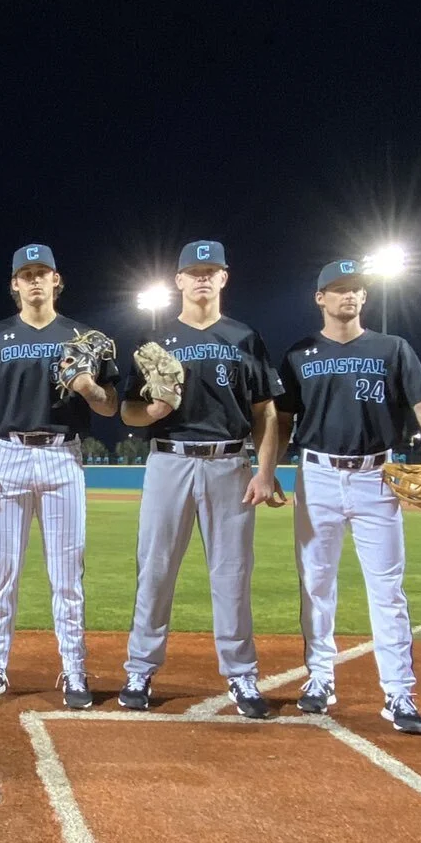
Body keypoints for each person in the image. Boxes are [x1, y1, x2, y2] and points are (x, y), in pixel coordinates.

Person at [275, 259, 421, 733]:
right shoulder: (299, 354)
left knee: (388, 590)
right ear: (320, 298)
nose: (349, 296)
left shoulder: (393, 348)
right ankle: (319, 678)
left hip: (376, 477)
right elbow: (281, 420)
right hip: (317, 474)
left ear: (365, 297)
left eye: (356, 289)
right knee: (316, 585)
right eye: (338, 289)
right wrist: (267, 470)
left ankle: (399, 693)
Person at [118, 239, 284, 714]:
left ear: (224, 277)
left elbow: (266, 413)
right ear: (179, 281)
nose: (203, 277)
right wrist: (153, 409)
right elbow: (127, 413)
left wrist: (266, 471)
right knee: (155, 569)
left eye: (211, 270)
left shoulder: (244, 337)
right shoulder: (155, 342)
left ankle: (242, 676)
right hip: (169, 458)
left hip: (230, 464)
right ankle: (139, 670)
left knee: (232, 574)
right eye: (194, 271)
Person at [0, 243, 120, 708]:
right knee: (1, 573)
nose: (34, 280)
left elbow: (111, 405)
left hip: (62, 457)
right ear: (14, 284)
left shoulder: (82, 337)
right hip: (8, 456)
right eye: (25, 274)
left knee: (67, 575)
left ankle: (74, 670)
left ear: (57, 280)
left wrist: (90, 388)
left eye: (42, 273)